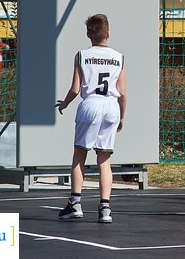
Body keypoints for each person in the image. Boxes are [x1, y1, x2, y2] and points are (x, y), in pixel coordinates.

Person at [55, 14, 127, 224]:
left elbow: (76, 88)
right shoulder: (119, 57)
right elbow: (122, 92)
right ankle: (105, 207)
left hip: (91, 104)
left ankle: (75, 203)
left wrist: (65, 104)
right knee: (104, 159)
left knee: (79, 154)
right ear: (108, 32)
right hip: (111, 106)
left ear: (88, 34)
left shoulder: (82, 55)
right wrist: (122, 116)